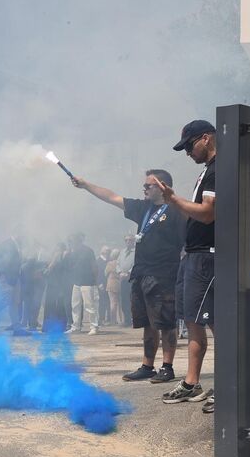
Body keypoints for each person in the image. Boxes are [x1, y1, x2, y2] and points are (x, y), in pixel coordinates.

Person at [72, 169, 184, 380]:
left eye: (148, 185)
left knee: (166, 323)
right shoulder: (144, 208)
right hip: (141, 275)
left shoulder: (177, 210)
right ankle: (147, 366)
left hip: (164, 275)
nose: (144, 189)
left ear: (162, 186)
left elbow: (186, 244)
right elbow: (112, 197)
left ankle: (167, 367)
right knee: (147, 324)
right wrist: (86, 185)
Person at [156, 120, 217, 409]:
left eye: (190, 145)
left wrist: (173, 200)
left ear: (206, 138)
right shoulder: (208, 170)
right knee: (193, 321)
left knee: (218, 323)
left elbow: (207, 214)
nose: (187, 153)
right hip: (194, 256)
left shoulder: (219, 170)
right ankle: (192, 382)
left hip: (207, 256)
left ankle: (229, 386)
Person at [63, 233, 99, 335]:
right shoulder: (71, 253)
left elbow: (94, 266)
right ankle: (76, 326)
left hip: (88, 282)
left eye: (72, 241)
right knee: (75, 305)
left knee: (90, 305)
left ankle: (94, 326)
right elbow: (68, 267)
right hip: (76, 282)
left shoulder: (88, 251)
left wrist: (95, 281)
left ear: (78, 241)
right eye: (69, 242)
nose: (70, 243)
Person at [0, 233, 27, 335]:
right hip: (8, 277)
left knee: (14, 303)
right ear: (17, 232)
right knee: (5, 300)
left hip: (15, 277)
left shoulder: (17, 245)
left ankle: (16, 328)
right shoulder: (7, 244)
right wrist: (3, 273)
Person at [41, 242, 71, 332]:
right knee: (52, 305)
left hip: (59, 284)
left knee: (57, 306)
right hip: (54, 285)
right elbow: (47, 272)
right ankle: (51, 326)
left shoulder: (63, 258)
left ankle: (57, 326)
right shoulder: (53, 259)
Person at [116, 235, 136, 326]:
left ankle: (134, 319)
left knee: (133, 299)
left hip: (132, 280)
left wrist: (128, 273)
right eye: (126, 240)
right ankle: (127, 320)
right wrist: (120, 272)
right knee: (124, 300)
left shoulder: (137, 252)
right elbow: (118, 263)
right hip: (123, 280)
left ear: (133, 241)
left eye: (130, 240)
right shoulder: (122, 252)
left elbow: (136, 263)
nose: (128, 242)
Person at [105, 249, 122, 325]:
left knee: (112, 302)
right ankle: (121, 320)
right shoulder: (120, 263)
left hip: (111, 283)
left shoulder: (110, 263)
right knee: (120, 303)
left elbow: (105, 273)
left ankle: (113, 320)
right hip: (120, 282)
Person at [96, 246, 111, 325]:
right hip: (102, 284)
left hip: (109, 283)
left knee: (109, 302)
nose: (108, 251)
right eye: (106, 250)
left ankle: (109, 319)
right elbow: (96, 273)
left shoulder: (109, 260)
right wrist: (99, 283)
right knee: (102, 302)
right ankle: (101, 319)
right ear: (102, 251)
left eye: (108, 250)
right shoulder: (98, 261)